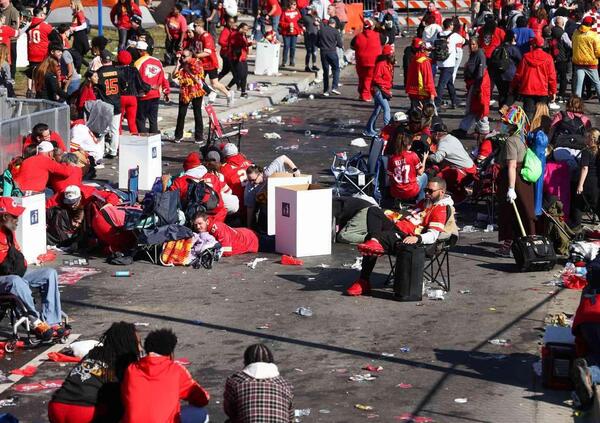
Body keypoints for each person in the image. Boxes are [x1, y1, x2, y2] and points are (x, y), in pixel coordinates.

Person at [346, 177, 454, 296]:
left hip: (407, 237)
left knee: (377, 237)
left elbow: (433, 235)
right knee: (373, 211)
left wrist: (417, 238)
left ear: (442, 192)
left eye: (430, 191)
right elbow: (409, 216)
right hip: (398, 227)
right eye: (425, 190)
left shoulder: (440, 209)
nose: (427, 193)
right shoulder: (424, 202)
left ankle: (364, 280)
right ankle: (374, 241)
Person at [48, 322, 140, 423]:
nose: (139, 348)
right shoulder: (120, 363)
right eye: (138, 343)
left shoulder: (93, 353)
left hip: (56, 406)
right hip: (82, 412)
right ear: (128, 344)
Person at [0, 197, 64, 341]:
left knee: (49, 273)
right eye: (15, 216)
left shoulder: (9, 232)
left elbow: (18, 258)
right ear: (4, 216)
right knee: (16, 281)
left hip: (15, 274)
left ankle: (52, 321)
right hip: (6, 279)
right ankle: (35, 321)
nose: (18, 219)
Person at [121, 329, 210, 423]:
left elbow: (125, 398)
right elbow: (202, 399)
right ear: (170, 353)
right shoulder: (176, 370)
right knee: (201, 412)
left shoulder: (131, 370)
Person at [495, 105, 535, 257]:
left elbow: (511, 165)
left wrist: (511, 188)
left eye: (506, 123)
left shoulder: (511, 140)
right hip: (522, 180)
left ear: (513, 124)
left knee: (509, 214)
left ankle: (509, 247)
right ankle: (525, 245)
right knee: (523, 212)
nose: (503, 125)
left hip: (513, 180)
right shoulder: (522, 138)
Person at [224, 343, 293, 422]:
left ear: (246, 361)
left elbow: (230, 411)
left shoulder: (235, 382)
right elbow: (290, 416)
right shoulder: (284, 385)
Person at [245, 155, 300, 230]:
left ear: (260, 174)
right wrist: (248, 227)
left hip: (284, 187)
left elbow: (283, 157)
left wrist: (295, 169)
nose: (251, 183)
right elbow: (250, 208)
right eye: (249, 180)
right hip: (269, 198)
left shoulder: (268, 172)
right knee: (263, 210)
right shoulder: (250, 188)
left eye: (253, 180)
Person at [429, 121, 477, 203]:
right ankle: (461, 192)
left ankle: (459, 196)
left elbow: (437, 158)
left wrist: (426, 157)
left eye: (432, 133)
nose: (430, 135)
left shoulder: (444, 143)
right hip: (470, 168)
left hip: (465, 171)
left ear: (437, 134)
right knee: (444, 170)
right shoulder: (451, 138)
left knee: (438, 178)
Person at [511, 37, 557, 118]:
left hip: (528, 89)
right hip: (543, 90)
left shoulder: (526, 57)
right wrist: (553, 91)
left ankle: (528, 130)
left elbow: (519, 74)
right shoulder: (548, 58)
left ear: (533, 45)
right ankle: (539, 130)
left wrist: (513, 86)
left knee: (528, 114)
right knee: (541, 115)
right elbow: (552, 76)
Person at [456, 36, 490, 138]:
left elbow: (481, 72)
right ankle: (476, 129)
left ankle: (481, 129)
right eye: (470, 44)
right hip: (474, 85)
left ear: (478, 44)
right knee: (474, 109)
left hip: (478, 85)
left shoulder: (479, 54)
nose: (471, 46)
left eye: (474, 44)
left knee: (477, 108)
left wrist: (477, 88)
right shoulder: (473, 54)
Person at [193, 20, 233, 105]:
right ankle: (201, 102)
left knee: (214, 84)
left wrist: (195, 56)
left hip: (210, 63)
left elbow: (208, 52)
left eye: (195, 26)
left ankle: (228, 94)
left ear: (200, 26)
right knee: (198, 82)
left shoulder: (206, 36)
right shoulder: (197, 36)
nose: (194, 29)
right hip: (201, 64)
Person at [134, 41, 170, 134]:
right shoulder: (157, 61)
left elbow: (135, 80)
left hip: (143, 95)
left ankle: (143, 139)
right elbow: (164, 78)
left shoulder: (138, 63)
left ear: (140, 51)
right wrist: (166, 91)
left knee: (140, 119)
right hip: (155, 95)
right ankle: (154, 139)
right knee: (153, 119)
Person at [95, 51, 124, 158]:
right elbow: (123, 86)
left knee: (101, 130)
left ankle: (100, 151)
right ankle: (113, 151)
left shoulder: (98, 72)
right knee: (115, 130)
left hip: (105, 104)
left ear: (101, 60)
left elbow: (95, 86)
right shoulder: (118, 71)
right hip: (116, 102)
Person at [173, 49, 206, 144]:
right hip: (185, 91)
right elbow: (174, 76)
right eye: (182, 56)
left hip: (196, 91)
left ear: (190, 56)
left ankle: (199, 137)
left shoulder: (197, 63)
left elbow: (197, 79)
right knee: (181, 113)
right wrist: (178, 65)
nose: (182, 58)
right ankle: (178, 136)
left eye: (184, 56)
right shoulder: (181, 64)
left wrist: (187, 69)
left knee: (197, 113)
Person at [387, 128, 427, 203]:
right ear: (408, 145)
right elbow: (420, 172)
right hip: (411, 190)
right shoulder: (413, 155)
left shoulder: (392, 158)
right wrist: (424, 159)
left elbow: (390, 176)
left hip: (396, 191)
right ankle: (420, 202)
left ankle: (398, 199)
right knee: (424, 176)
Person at [192, 212, 258, 256]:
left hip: (251, 239)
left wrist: (211, 251)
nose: (197, 227)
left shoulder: (217, 229)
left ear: (207, 222)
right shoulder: (206, 229)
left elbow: (227, 250)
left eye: (200, 223)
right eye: (195, 225)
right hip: (245, 234)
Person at [26, 7, 58, 97]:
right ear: (40, 15)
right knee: (43, 76)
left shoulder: (30, 25)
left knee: (33, 75)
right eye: (43, 14)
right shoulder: (46, 26)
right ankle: (41, 93)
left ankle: (31, 91)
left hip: (32, 54)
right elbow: (56, 39)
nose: (44, 16)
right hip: (42, 54)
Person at [364, 44, 394, 137]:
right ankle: (387, 131)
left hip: (381, 89)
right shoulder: (381, 64)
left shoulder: (388, 64)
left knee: (377, 110)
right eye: (391, 53)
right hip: (378, 90)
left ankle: (369, 129)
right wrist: (387, 85)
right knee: (386, 109)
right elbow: (376, 79)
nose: (393, 55)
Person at [572, 128, 600, 226]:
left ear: (591, 139)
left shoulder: (587, 151)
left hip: (588, 182)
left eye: (586, 137)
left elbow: (584, 168)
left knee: (578, 204)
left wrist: (580, 185)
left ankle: (576, 226)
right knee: (596, 206)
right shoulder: (598, 151)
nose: (585, 139)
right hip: (597, 182)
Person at [117, 50, 148, 136]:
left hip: (120, 97)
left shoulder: (116, 70)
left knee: (118, 122)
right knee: (132, 121)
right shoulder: (133, 70)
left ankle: (118, 141)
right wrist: (148, 88)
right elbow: (140, 83)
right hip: (132, 97)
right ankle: (135, 139)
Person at [527, 103, 551, 218]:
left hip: (532, 160)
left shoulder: (533, 129)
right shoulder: (542, 133)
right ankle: (536, 211)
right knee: (538, 188)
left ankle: (533, 210)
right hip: (540, 162)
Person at [351, 19, 382, 102]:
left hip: (360, 61)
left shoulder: (358, 36)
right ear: (372, 27)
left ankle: (361, 94)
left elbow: (352, 46)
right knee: (368, 79)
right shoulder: (377, 35)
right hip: (373, 62)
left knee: (362, 78)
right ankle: (366, 95)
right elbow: (387, 40)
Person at [435, 18, 464, 109]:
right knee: (442, 84)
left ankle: (454, 100)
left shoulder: (439, 34)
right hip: (449, 62)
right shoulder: (454, 35)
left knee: (449, 82)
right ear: (450, 25)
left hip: (440, 61)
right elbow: (463, 41)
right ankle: (437, 102)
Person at [489, 30, 521, 109]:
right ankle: (505, 107)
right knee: (513, 93)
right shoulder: (512, 49)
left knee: (502, 93)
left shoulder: (498, 47)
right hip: (509, 75)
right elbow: (520, 59)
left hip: (497, 75)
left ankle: (502, 111)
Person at [572, 16, 600, 100]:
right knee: (597, 83)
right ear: (591, 24)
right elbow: (598, 51)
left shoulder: (576, 33)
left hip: (578, 62)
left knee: (579, 85)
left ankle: (575, 107)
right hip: (591, 63)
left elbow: (573, 45)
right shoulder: (594, 35)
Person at [220, 143, 252, 214]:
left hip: (237, 205)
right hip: (252, 201)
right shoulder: (249, 163)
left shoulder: (224, 169)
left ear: (225, 156)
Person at [405, 37, 436, 110]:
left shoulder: (414, 58)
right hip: (422, 93)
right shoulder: (424, 61)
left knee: (415, 117)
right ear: (422, 49)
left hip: (413, 91)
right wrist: (432, 92)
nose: (429, 52)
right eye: (428, 50)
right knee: (425, 116)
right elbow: (428, 79)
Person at [317, 17, 342, 97]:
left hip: (323, 52)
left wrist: (322, 46)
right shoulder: (335, 31)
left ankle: (325, 90)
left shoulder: (320, 31)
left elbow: (316, 42)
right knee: (336, 69)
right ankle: (334, 87)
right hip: (332, 52)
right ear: (334, 24)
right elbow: (340, 44)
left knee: (326, 71)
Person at [551, 16, 572, 103]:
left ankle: (551, 94)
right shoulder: (563, 34)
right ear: (562, 24)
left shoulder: (550, 31)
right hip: (562, 58)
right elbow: (569, 45)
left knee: (552, 77)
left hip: (552, 57)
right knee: (563, 77)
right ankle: (561, 95)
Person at [230, 23, 252, 98]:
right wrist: (246, 44)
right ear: (241, 28)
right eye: (245, 29)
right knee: (240, 75)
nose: (246, 31)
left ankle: (243, 92)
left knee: (244, 75)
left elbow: (244, 44)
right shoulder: (235, 35)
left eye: (247, 30)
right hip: (237, 58)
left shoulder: (243, 35)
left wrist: (249, 43)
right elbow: (235, 45)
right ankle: (228, 86)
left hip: (243, 57)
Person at [0, 0, 19, 81]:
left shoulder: (13, 11)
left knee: (10, 58)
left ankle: (11, 76)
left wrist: (7, 31)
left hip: (10, 40)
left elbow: (16, 26)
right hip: (3, 40)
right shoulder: (1, 10)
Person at [280, 0, 302, 68]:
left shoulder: (297, 12)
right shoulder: (285, 12)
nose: (295, 6)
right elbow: (281, 22)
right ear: (290, 5)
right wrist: (288, 25)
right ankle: (284, 61)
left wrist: (300, 30)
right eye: (294, 4)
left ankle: (292, 61)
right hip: (286, 33)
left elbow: (300, 22)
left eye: (295, 4)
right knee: (286, 46)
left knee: (293, 47)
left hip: (294, 32)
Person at [217, 16, 236, 83]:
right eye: (230, 22)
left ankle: (215, 81)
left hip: (228, 53)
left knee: (225, 70)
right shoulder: (225, 31)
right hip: (225, 53)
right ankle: (238, 85)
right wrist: (229, 44)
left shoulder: (231, 30)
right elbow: (220, 41)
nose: (232, 24)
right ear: (227, 22)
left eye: (233, 22)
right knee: (234, 71)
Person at [302, 6, 320, 72]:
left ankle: (314, 65)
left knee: (314, 52)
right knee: (309, 52)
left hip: (315, 36)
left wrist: (318, 24)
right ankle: (306, 66)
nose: (308, 11)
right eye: (307, 9)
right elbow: (299, 22)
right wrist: (303, 27)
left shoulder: (317, 17)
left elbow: (321, 24)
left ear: (313, 10)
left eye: (309, 9)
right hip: (308, 36)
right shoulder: (305, 17)